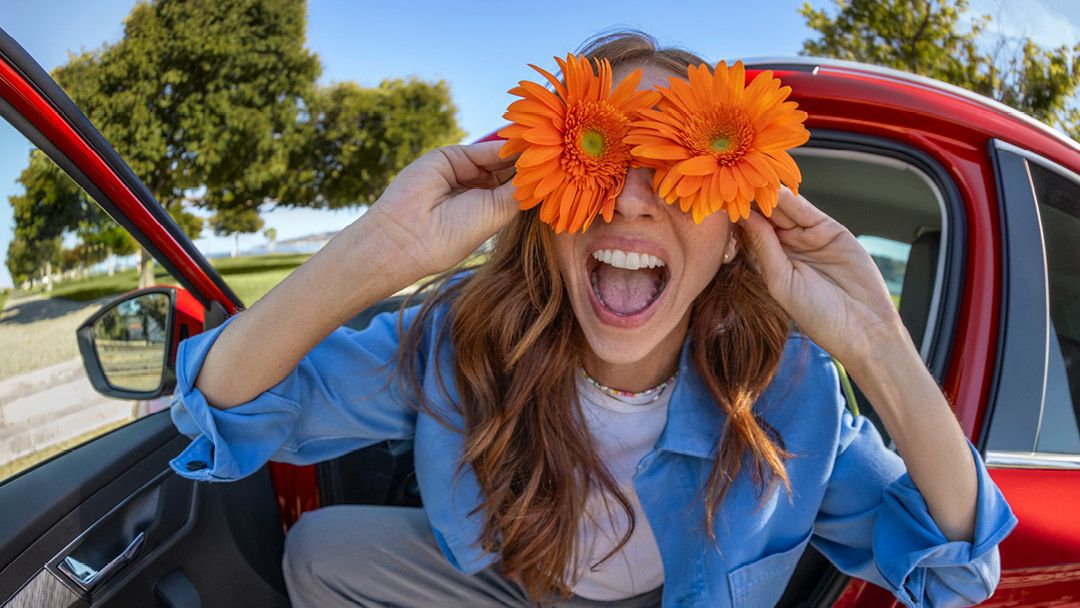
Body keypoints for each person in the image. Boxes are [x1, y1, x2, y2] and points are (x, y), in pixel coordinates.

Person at [169, 32, 1016, 608]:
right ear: (549, 204)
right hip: (511, 585)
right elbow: (229, 409)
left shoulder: (794, 394)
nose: (635, 198)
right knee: (319, 550)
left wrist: (875, 341)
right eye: (600, 152)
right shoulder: (456, 339)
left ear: (735, 236)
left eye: (681, 165)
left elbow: (961, 574)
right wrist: (379, 251)